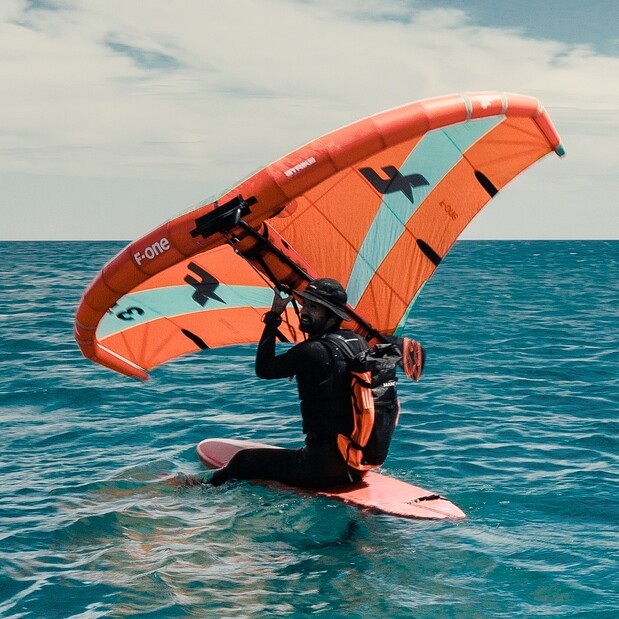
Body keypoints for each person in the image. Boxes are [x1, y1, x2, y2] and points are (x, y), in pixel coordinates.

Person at [193, 277, 374, 488]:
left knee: (243, 461)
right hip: (357, 463)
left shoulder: (311, 351)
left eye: (314, 307)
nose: (305, 311)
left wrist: (273, 317)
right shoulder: (359, 343)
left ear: (332, 315)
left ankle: (198, 490)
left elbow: (264, 369)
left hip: (322, 469)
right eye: (305, 304)